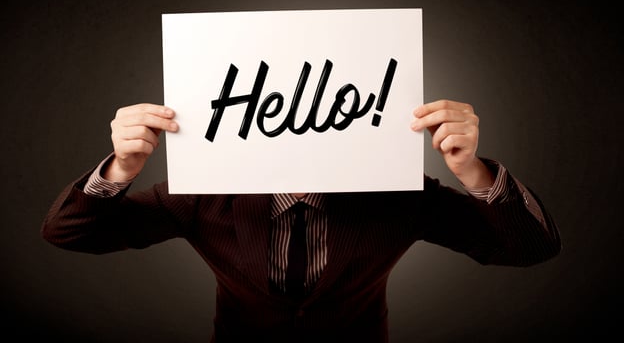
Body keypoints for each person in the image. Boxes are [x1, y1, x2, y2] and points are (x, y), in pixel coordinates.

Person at [41, 99, 561, 343]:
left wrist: (473, 170)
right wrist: (121, 169)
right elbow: (69, 232)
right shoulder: (204, 195)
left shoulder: (397, 196)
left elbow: (530, 247)